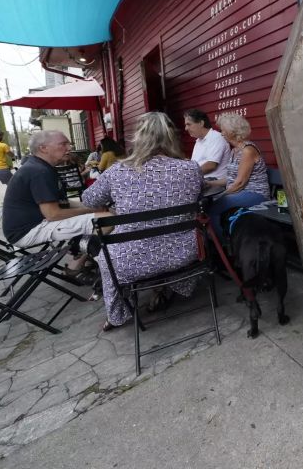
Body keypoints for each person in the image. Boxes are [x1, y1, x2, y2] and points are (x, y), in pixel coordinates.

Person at [81, 112, 208, 330]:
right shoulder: (191, 168)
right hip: (184, 254)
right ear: (171, 137)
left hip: (131, 261)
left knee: (106, 255)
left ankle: (118, 314)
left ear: (138, 137)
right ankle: (169, 287)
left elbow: (89, 200)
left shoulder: (117, 171)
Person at [2, 130, 111, 248]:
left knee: (102, 214)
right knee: (107, 220)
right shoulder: (39, 171)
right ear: (43, 148)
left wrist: (90, 206)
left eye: (69, 144)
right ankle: (79, 261)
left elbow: (62, 203)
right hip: (28, 231)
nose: (69, 148)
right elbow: (53, 215)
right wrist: (91, 210)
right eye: (63, 144)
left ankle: (82, 252)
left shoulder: (40, 166)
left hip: (33, 225)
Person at [208, 113, 270, 233]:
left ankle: (223, 246)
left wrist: (221, 196)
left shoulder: (248, 150)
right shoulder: (235, 150)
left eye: (223, 130)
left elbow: (240, 183)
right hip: (240, 192)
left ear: (232, 131)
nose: (221, 133)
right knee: (214, 204)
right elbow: (231, 179)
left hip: (255, 194)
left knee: (213, 209)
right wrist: (210, 183)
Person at [184, 109, 230, 181]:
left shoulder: (216, 137)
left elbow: (211, 165)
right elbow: (197, 163)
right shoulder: (199, 140)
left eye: (189, 124)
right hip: (201, 181)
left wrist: (187, 174)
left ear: (201, 123)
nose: (186, 128)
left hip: (215, 183)